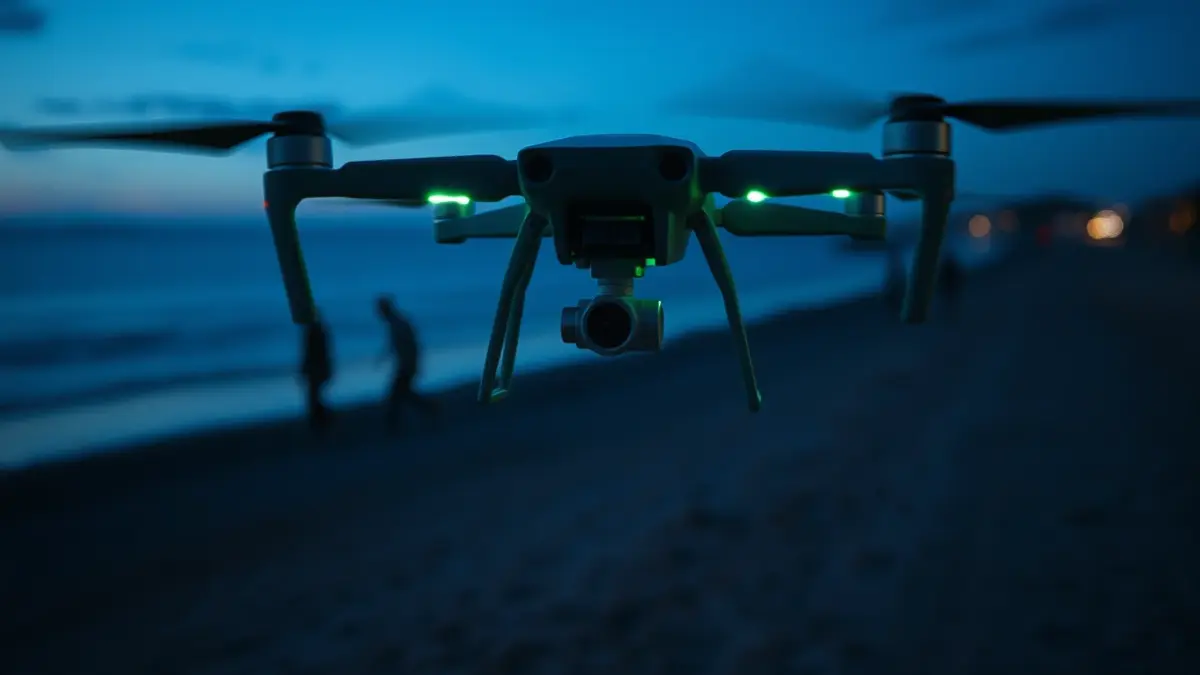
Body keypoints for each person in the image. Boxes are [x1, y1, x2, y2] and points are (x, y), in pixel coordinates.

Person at [376, 295, 439, 432]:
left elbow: (409, 345)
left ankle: (394, 425)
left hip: (407, 364)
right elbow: (395, 345)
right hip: (406, 363)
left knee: (397, 394)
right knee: (404, 393)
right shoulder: (396, 322)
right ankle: (431, 409)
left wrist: (410, 363)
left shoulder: (398, 323)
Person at [299, 317, 334, 434]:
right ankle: (322, 420)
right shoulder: (320, 330)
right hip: (317, 368)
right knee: (315, 396)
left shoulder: (314, 331)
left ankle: (320, 421)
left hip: (315, 369)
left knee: (313, 396)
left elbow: (310, 353)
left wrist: (305, 368)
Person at [939, 254, 964, 319]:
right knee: (952, 300)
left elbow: (942, 277)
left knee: (949, 301)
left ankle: (950, 313)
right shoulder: (951, 266)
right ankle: (952, 313)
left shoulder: (945, 267)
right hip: (951, 286)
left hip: (949, 286)